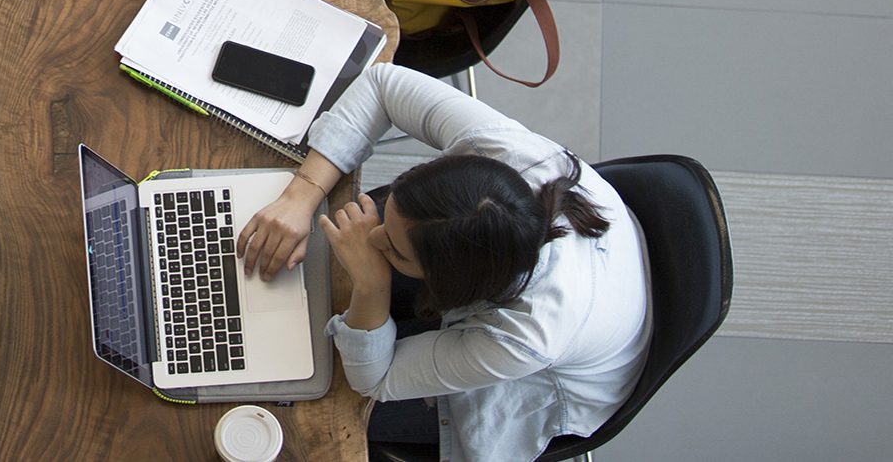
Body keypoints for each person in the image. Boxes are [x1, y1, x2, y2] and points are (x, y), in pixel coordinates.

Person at [235, 65, 651, 462]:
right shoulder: (507, 155)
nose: (375, 238)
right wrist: (300, 195)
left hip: (544, 380)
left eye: (395, 251)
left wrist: (372, 285)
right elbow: (383, 85)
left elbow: (376, 380)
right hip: (576, 286)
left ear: (452, 289)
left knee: (319, 399)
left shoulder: (523, 338)